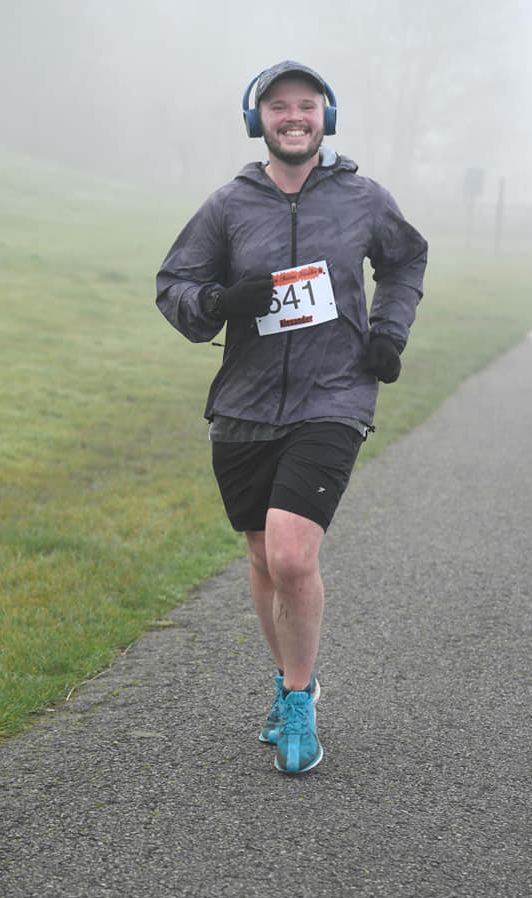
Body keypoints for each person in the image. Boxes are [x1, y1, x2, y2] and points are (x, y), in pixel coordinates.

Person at [156, 60, 428, 775]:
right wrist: (215, 305)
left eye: (307, 105)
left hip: (334, 394)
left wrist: (390, 332)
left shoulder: (365, 198)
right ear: (259, 121)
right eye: (279, 107)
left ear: (326, 118)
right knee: (259, 556)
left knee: (290, 554)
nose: (294, 116)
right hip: (244, 403)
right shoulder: (229, 205)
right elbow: (175, 284)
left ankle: (301, 702)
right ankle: (283, 683)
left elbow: (404, 261)